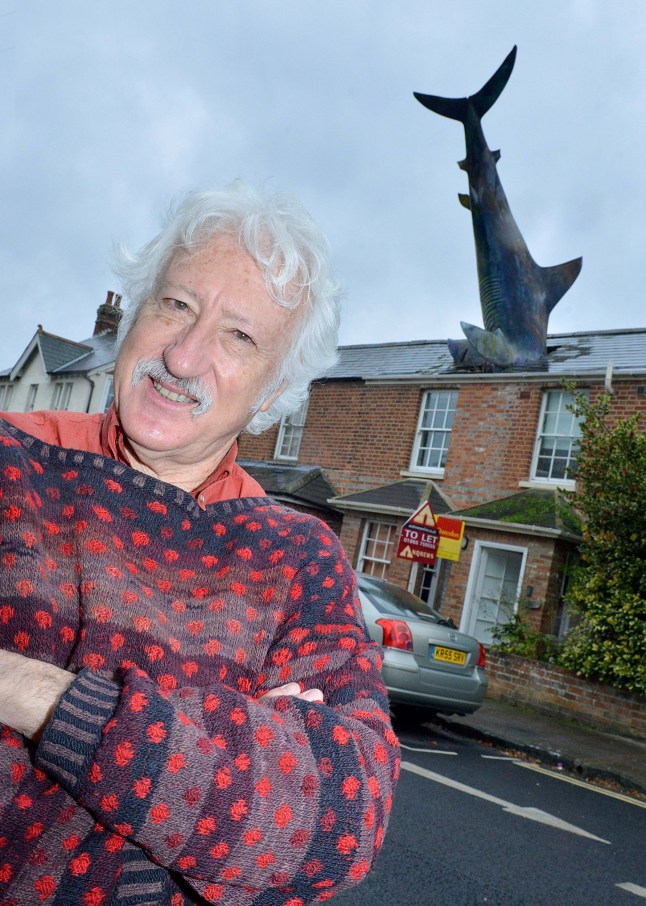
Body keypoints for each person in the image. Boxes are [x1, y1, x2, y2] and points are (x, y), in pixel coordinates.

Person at [0, 183, 400, 905]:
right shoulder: (13, 462)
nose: (183, 358)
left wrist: (30, 692)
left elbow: (346, 816)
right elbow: (266, 834)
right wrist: (200, 819)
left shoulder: (296, 559)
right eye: (176, 305)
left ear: (274, 392)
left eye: (239, 336)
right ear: (133, 315)